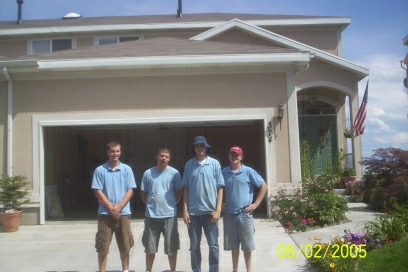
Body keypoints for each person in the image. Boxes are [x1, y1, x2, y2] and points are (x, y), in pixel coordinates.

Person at [91, 141, 137, 272]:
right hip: (105, 214)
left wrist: (119, 207)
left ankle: (125, 270)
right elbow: (98, 191)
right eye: (112, 151)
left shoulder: (127, 169)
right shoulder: (100, 170)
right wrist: (111, 207)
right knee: (103, 245)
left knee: (125, 244)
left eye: (117, 151)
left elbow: (130, 190)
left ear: (120, 152)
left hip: (124, 213)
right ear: (107, 152)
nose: (115, 154)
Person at [182, 136, 225, 272]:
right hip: (193, 214)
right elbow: (186, 189)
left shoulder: (214, 164)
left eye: (202, 146)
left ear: (206, 148)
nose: (199, 148)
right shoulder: (189, 165)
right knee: (194, 247)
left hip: (210, 214)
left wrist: (218, 210)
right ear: (194, 148)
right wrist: (185, 210)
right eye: (197, 146)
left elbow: (220, 187)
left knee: (213, 246)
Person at [222, 146, 268, 272]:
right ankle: (235, 269)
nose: (234, 157)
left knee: (247, 247)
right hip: (230, 215)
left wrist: (256, 204)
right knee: (233, 245)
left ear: (241, 157)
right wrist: (220, 204)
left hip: (245, 215)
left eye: (237, 155)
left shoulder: (248, 171)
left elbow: (263, 186)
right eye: (232, 154)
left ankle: (249, 270)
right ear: (229, 156)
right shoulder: (224, 172)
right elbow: (217, 189)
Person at [140, 147, 183, 272]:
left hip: (169, 216)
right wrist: (150, 205)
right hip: (151, 216)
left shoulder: (174, 173)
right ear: (157, 156)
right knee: (150, 247)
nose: (163, 158)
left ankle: (172, 270)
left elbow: (179, 192)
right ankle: (148, 270)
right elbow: (143, 193)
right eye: (161, 156)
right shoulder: (148, 173)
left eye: (166, 156)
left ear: (169, 159)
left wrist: (171, 205)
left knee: (172, 247)